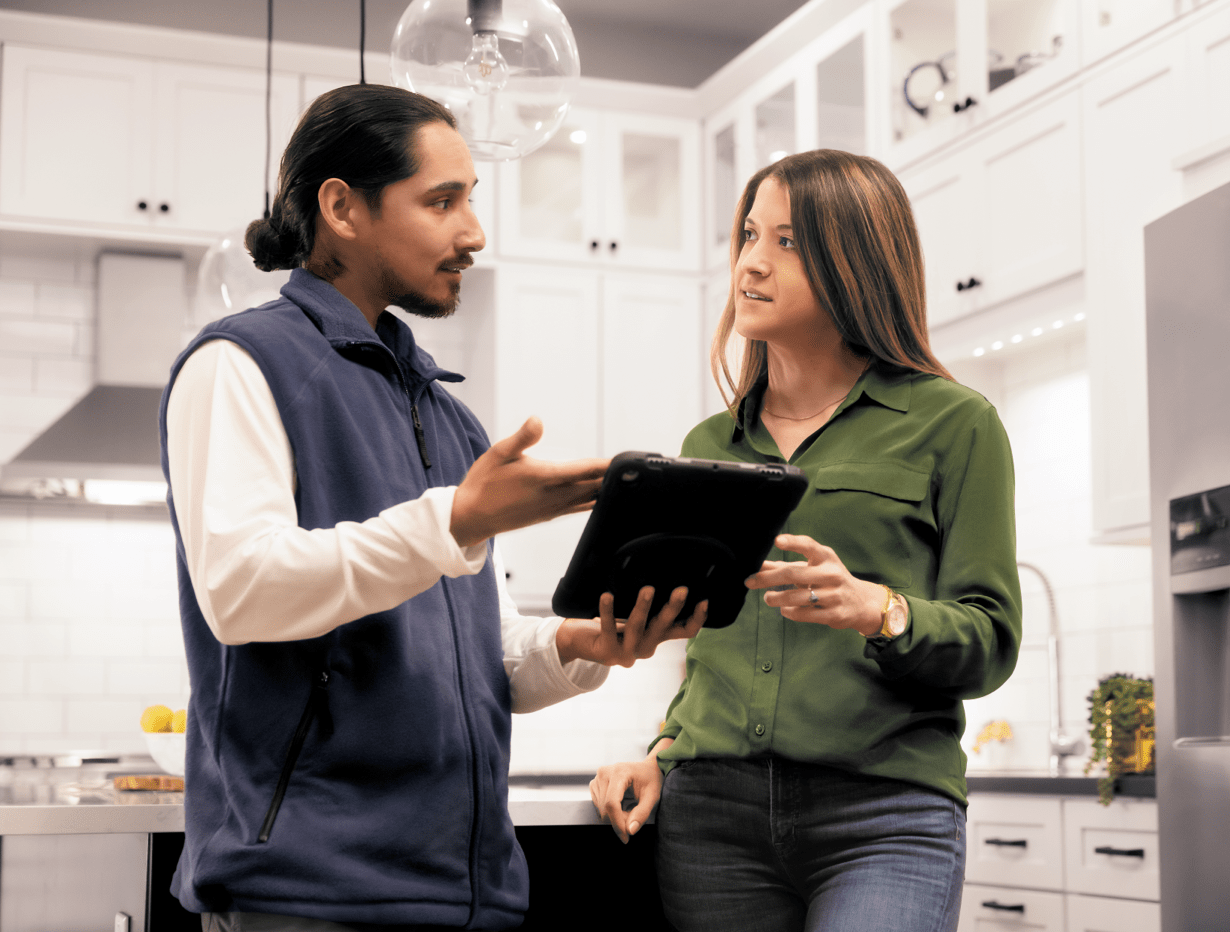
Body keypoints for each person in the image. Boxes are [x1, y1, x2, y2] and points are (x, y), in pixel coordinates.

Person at [158, 84, 705, 931]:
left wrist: (581, 645)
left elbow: (477, 654)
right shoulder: (240, 363)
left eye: (470, 201)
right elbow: (241, 590)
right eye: (441, 201)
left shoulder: (448, 416)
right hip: (309, 891)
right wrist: (457, 521)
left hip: (464, 889)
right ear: (341, 207)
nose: (473, 233)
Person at [589, 149, 1022, 932]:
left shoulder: (956, 425)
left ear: (856, 259)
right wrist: (660, 749)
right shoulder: (709, 440)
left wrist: (878, 608)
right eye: (749, 236)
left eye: (786, 242)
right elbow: (708, 646)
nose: (751, 263)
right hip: (711, 817)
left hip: (884, 816)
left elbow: (991, 640)